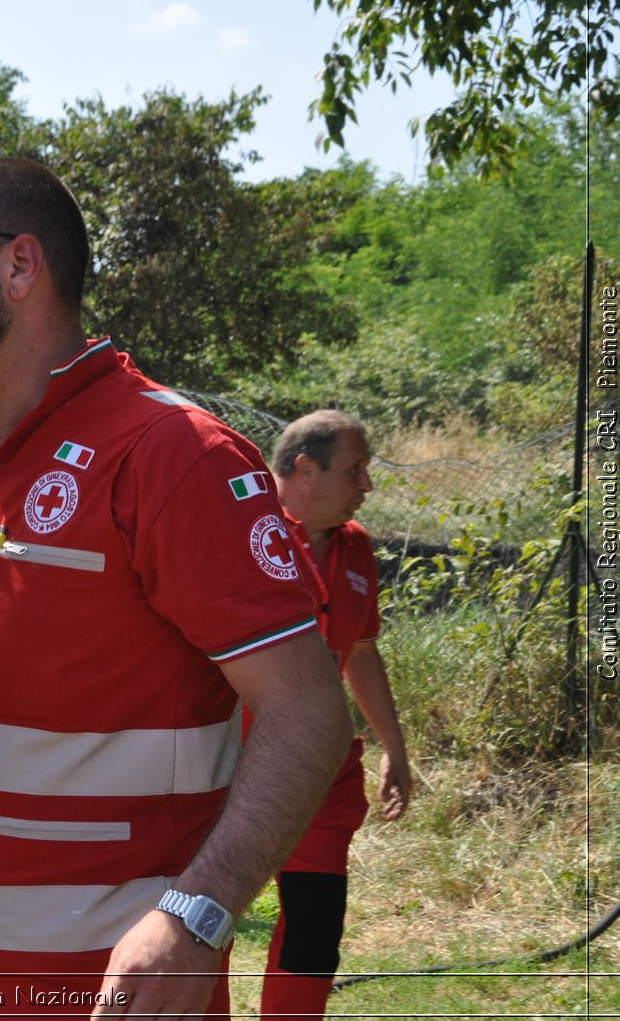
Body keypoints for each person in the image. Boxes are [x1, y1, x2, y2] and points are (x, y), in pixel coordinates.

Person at [0, 156, 353, 1018]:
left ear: (19, 267)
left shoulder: (172, 454)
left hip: (100, 994)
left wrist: (198, 914)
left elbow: (309, 713)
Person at [259, 410, 412, 1019]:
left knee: (314, 927)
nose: (366, 486)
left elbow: (363, 653)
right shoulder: (243, 530)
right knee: (199, 922)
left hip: (321, 774)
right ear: (303, 467)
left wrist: (395, 749)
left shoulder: (356, 548)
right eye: (355, 470)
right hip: (227, 770)